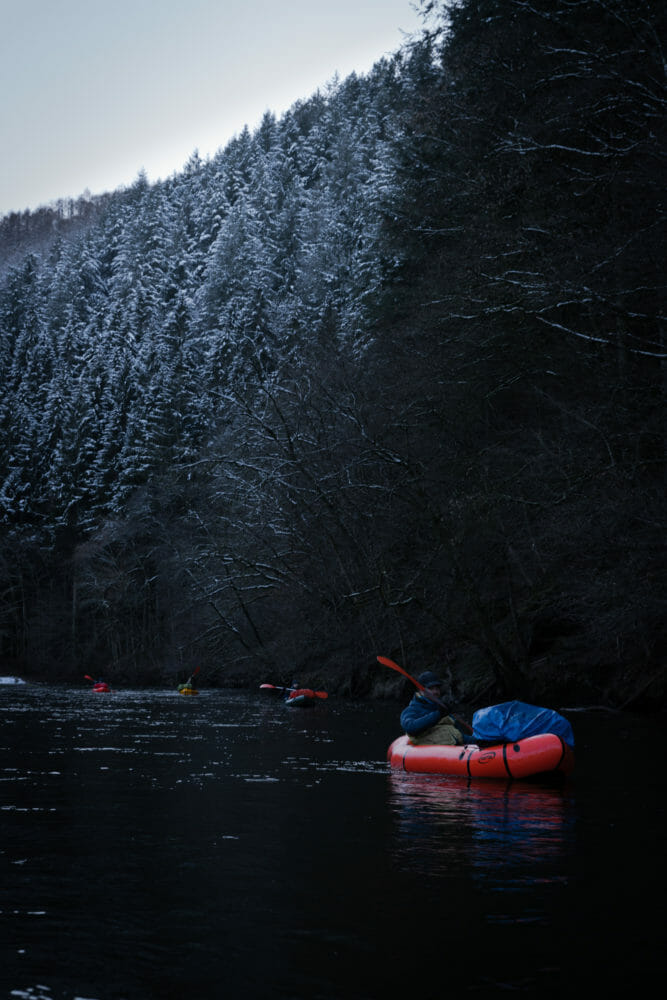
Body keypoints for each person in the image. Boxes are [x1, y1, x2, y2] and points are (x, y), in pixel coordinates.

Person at [400, 671, 465, 746]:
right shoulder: (412, 710)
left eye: (437, 688)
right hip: (429, 752)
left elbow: (460, 736)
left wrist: (478, 741)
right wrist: (438, 714)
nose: (435, 692)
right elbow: (410, 728)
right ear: (421, 691)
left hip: (453, 751)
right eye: (431, 688)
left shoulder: (444, 710)